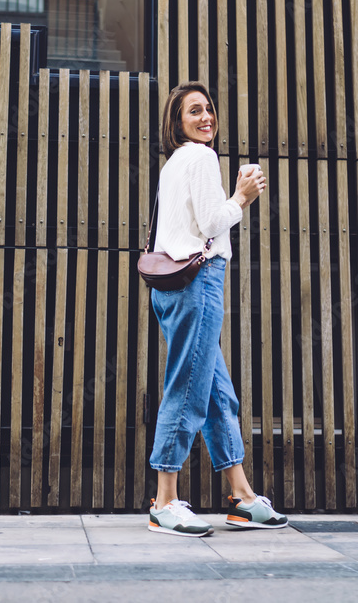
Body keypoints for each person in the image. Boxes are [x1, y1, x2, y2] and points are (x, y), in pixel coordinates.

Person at [147, 81, 288, 537]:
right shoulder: (202, 158)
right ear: (177, 121)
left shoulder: (173, 164)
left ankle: (242, 498)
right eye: (194, 111)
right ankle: (164, 502)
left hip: (170, 285)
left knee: (215, 393)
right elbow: (211, 223)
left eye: (208, 109)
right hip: (199, 282)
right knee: (188, 389)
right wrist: (243, 195)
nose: (206, 117)